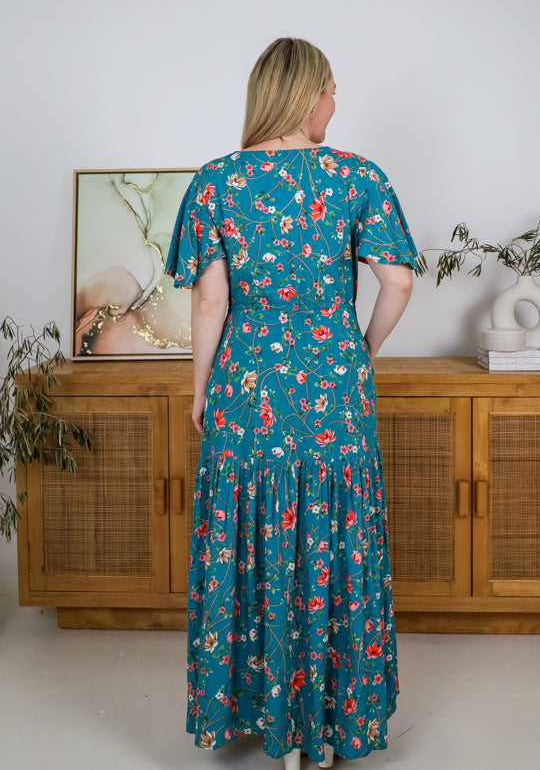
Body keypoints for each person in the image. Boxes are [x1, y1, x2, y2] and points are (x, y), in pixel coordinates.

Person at [165, 37, 416, 770]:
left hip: (246, 392)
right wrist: (361, 349)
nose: (336, 102)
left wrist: (200, 389)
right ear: (307, 97)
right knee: (334, 537)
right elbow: (398, 281)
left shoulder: (217, 181)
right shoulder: (356, 177)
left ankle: (264, 717)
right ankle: (327, 728)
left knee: (250, 537)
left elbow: (209, 302)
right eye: (331, 89)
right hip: (335, 389)